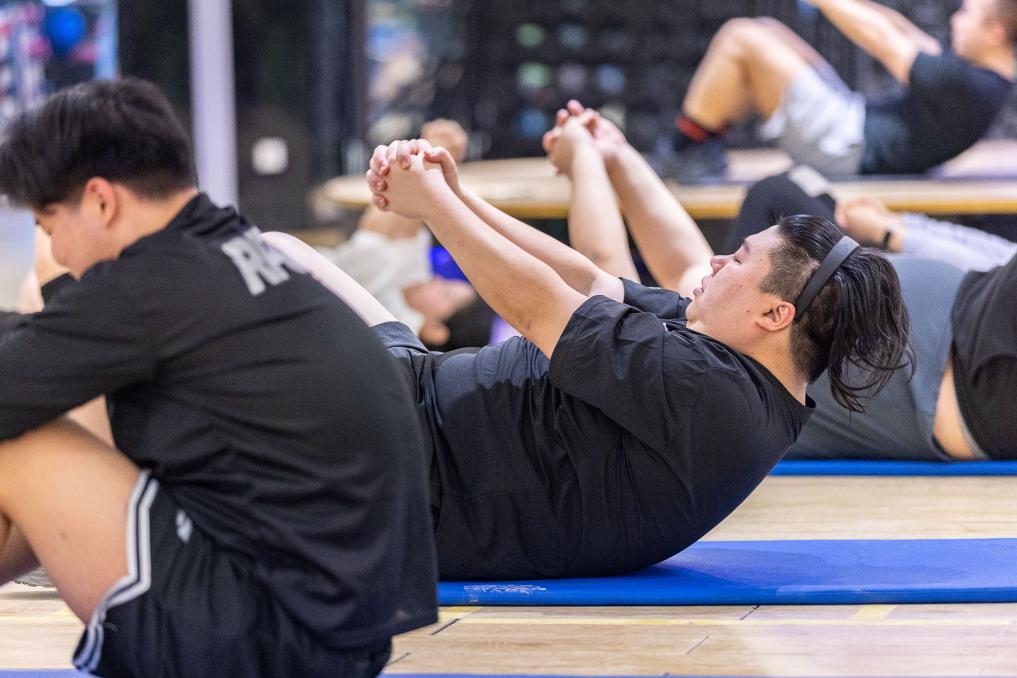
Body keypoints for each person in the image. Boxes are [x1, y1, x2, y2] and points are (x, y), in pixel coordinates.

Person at [266, 111, 911, 582]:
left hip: (403, 464)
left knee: (254, 285)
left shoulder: (715, 396)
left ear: (775, 313)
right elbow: (588, 280)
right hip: (413, 395)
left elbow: (537, 305)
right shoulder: (722, 352)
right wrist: (458, 198)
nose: (717, 262)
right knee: (274, 254)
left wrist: (434, 206)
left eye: (738, 259)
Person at [0, 78, 436, 677]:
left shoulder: (148, 287)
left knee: (24, 443)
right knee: (62, 409)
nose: (62, 254)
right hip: (340, 634)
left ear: (100, 201)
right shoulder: (231, 250)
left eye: (51, 230)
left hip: (269, 641)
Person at [727, 168, 1017, 460]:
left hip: (926, 367)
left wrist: (892, 232)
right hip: (921, 306)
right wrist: (898, 226)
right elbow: (1002, 256)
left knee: (736, 379)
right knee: (783, 190)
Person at [669, 0, 1016, 180]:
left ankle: (684, 148)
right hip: (851, 129)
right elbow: (900, 31)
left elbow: (882, 40)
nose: (956, 19)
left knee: (741, 36)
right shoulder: (982, 80)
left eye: (967, 13)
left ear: (995, 34)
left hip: (844, 147)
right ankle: (703, 146)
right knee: (767, 30)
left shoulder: (966, 85)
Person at [317, 118, 492, 350]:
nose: (439, 280)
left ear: (435, 331)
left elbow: (377, 234)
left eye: (447, 293)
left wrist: (429, 162)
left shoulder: (390, 320)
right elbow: (402, 225)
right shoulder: (412, 287)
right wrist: (433, 163)